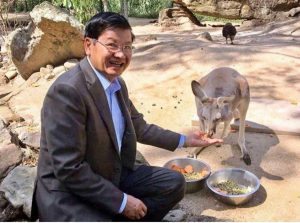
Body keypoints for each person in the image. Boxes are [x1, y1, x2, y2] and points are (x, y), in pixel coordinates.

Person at [32, 12, 222, 221]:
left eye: (127, 47)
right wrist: (121, 201)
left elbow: (140, 127)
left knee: (175, 183)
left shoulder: (116, 84)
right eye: (112, 45)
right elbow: (69, 169)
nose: (121, 55)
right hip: (68, 193)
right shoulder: (67, 92)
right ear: (88, 45)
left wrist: (186, 140)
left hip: (109, 174)